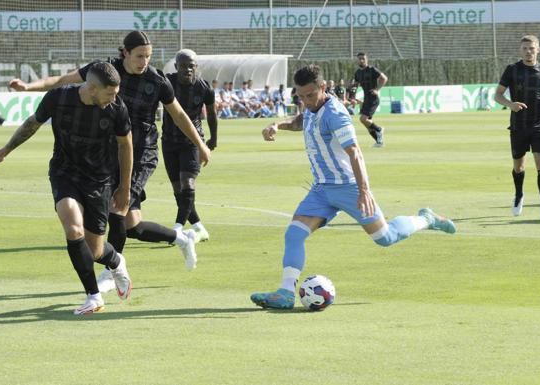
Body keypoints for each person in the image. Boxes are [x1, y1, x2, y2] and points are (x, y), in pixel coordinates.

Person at [8, 31, 209, 291]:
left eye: (148, 56)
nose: (144, 61)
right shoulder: (104, 71)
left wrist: (201, 144)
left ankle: (109, 273)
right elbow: (63, 80)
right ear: (124, 52)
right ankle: (181, 238)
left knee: (118, 211)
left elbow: (180, 115)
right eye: (139, 56)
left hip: (142, 153)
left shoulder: (157, 81)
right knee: (132, 225)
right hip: (109, 154)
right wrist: (28, 87)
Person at [250, 65, 456, 310]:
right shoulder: (311, 107)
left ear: (323, 88)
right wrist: (278, 125)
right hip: (321, 190)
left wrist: (364, 190)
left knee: (385, 237)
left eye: (310, 95)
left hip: (348, 187)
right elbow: (300, 120)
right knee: (294, 233)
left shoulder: (335, 114)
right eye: (300, 96)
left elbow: (355, 152)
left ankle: (426, 218)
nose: (305, 101)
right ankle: (285, 293)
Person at [0, 62, 133, 315]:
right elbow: (32, 124)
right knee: (73, 229)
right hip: (65, 173)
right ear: (93, 89)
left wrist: (124, 188)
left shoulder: (117, 109)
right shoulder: (59, 98)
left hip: (99, 179)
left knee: (96, 250)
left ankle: (116, 261)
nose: (115, 98)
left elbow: (125, 146)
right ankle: (93, 296)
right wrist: (3, 151)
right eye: (110, 93)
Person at [494, 35, 540, 220]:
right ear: (520, 50)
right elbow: (497, 95)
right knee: (519, 167)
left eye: (532, 48)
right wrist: (510, 104)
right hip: (518, 125)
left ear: (538, 49)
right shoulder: (512, 70)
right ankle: (519, 194)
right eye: (525, 48)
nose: (528, 51)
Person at [163, 49, 217, 241]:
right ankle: (199, 227)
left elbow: (211, 114)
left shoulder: (204, 88)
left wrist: (213, 139)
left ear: (196, 67)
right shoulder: (167, 83)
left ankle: (177, 228)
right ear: (176, 67)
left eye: (191, 66)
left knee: (188, 183)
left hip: (192, 142)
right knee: (178, 189)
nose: (187, 69)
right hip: (169, 141)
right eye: (183, 66)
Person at [354, 52, 387, 147]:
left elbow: (384, 78)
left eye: (363, 58)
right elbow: (355, 85)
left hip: (373, 99)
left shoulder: (372, 69)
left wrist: (377, 89)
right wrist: (352, 96)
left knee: (363, 119)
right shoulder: (358, 73)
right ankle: (379, 142)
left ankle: (379, 129)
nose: (361, 60)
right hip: (366, 99)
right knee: (367, 124)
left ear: (366, 59)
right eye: (359, 58)